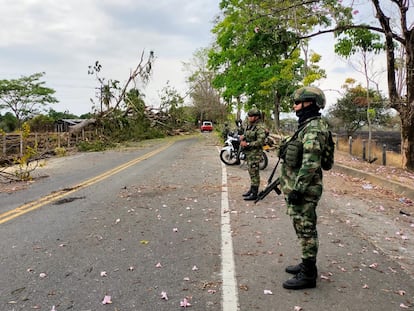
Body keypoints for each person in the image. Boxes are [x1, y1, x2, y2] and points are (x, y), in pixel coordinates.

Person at [278, 86, 330, 290]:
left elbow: (310, 163)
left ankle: (308, 274)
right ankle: (307, 263)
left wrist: (297, 190)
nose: (295, 106)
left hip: (305, 190)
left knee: (306, 229)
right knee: (302, 227)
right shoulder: (307, 126)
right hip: (299, 187)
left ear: (310, 103)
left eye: (298, 103)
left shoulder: (314, 129)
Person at [240, 108, 266, 201]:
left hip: (255, 154)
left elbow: (260, 141)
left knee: (254, 173)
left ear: (256, 117)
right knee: (251, 172)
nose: (249, 118)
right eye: (249, 116)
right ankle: (252, 189)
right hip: (249, 153)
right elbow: (248, 134)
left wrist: (247, 144)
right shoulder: (250, 125)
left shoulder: (260, 127)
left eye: (251, 116)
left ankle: (254, 193)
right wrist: (243, 136)